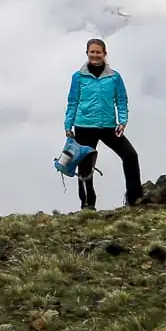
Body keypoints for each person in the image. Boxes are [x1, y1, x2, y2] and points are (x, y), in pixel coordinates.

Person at [64, 38, 142, 209]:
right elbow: (72, 102)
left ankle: (135, 199)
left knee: (130, 156)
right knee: (84, 167)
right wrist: (68, 126)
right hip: (84, 126)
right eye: (92, 52)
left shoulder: (114, 77)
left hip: (108, 126)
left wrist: (122, 121)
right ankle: (87, 204)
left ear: (105, 54)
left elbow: (121, 100)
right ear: (87, 53)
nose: (95, 55)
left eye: (98, 52)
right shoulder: (78, 77)